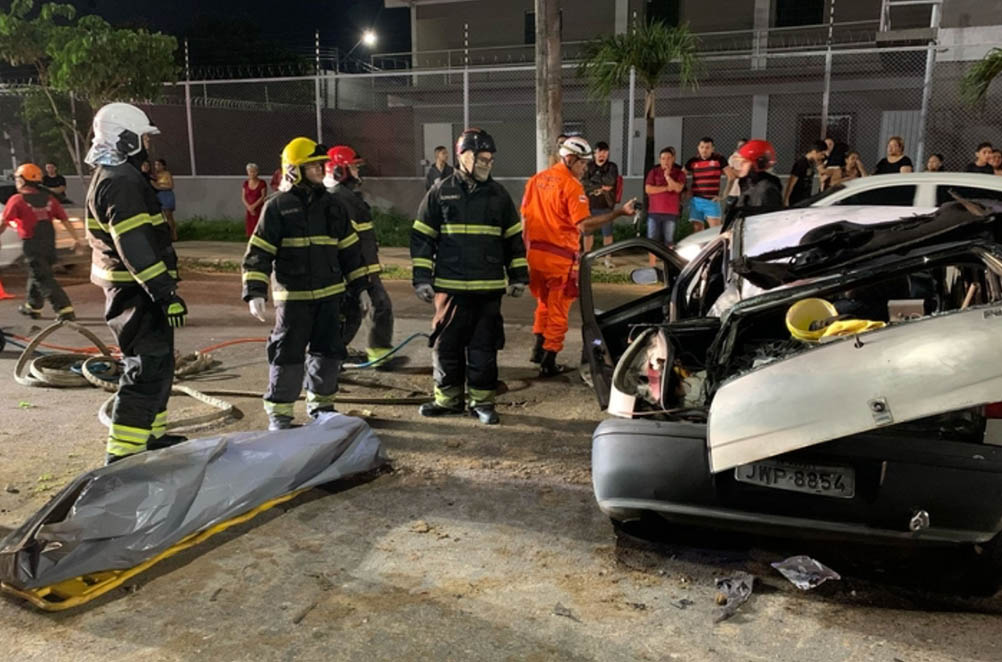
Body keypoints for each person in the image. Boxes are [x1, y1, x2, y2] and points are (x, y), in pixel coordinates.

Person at [242, 137, 369, 431]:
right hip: (293, 298)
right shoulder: (277, 207)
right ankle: (281, 414)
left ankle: (322, 407)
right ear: (294, 170)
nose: (319, 169)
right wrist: (255, 291)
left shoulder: (333, 206)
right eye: (312, 165)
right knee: (287, 354)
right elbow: (259, 251)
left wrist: (361, 287)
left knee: (328, 352)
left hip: (330, 297)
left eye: (319, 165)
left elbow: (350, 250)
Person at [83, 102, 185, 464]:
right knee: (146, 367)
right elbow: (135, 246)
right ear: (125, 139)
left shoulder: (120, 176)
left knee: (159, 364)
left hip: (136, 289)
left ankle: (152, 435)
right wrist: (164, 292)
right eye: (142, 137)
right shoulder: (121, 182)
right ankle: (123, 455)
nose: (147, 144)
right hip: (135, 292)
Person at [411, 128, 528, 424]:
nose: (487, 164)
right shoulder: (440, 191)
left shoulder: (499, 195)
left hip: (487, 289)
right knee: (446, 345)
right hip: (450, 288)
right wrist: (422, 278)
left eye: (490, 159)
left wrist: (518, 276)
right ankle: (448, 401)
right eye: (481, 158)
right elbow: (423, 237)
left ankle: (482, 403)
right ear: (464, 157)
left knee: (483, 347)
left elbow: (513, 238)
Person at [521, 136, 636, 376]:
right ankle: (549, 361)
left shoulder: (536, 180)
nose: (586, 167)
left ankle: (537, 350)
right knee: (558, 310)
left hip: (535, 256)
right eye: (583, 163)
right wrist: (618, 213)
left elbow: (525, 216)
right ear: (570, 159)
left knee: (543, 305)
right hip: (560, 258)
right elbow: (584, 226)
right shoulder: (572, 187)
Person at [326, 145, 400, 369]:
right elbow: (349, 241)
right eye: (354, 168)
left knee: (356, 313)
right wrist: (360, 274)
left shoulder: (346, 197)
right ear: (340, 171)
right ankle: (332, 359)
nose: (359, 172)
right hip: (358, 268)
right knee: (373, 308)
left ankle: (333, 358)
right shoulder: (342, 198)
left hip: (361, 266)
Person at [0, 163, 85, 320]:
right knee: (38, 273)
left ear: (23, 180)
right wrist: (76, 239)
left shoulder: (17, 200)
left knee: (43, 278)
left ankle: (64, 309)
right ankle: (32, 307)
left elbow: (4, 222)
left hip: (32, 244)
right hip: (49, 244)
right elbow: (64, 220)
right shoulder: (49, 199)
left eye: (18, 178)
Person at [723, 139, 783, 230]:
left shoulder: (765, 190)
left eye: (744, 162)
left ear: (758, 163)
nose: (740, 166)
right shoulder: (748, 184)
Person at [643, 146, 685, 267]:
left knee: (669, 240)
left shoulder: (679, 173)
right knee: (652, 240)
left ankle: (669, 266)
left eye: (668, 158)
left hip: (670, 212)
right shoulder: (654, 172)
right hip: (654, 211)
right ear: (659, 159)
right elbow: (648, 189)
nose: (665, 161)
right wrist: (666, 188)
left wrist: (667, 177)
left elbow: (677, 188)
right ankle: (652, 266)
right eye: (663, 158)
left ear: (673, 159)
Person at [684, 137, 733, 231]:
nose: (704, 150)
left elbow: (731, 176)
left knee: (715, 232)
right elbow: (680, 176)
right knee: (697, 233)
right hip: (696, 201)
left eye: (707, 147)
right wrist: (686, 190)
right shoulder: (693, 161)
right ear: (698, 148)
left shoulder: (719, 159)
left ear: (712, 149)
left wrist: (723, 195)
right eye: (702, 147)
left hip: (711, 200)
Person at [582, 140, 620, 255]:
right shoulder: (588, 166)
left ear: (608, 153)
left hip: (606, 205)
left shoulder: (612, 167)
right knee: (588, 233)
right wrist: (601, 186)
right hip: (589, 205)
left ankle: (608, 258)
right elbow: (583, 183)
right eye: (599, 152)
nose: (601, 155)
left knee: (607, 233)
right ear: (594, 153)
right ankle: (586, 255)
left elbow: (611, 181)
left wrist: (593, 183)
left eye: (604, 152)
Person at [784, 140, 828, 207]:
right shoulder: (801, 163)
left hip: (806, 197)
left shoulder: (811, 163)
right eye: (821, 154)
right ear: (814, 152)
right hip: (797, 198)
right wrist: (786, 199)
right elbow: (791, 182)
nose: (823, 157)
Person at [151, 158, 177, 240]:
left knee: (168, 215)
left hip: (167, 195)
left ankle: (173, 234)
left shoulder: (167, 174)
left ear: (163, 166)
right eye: (155, 165)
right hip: (158, 195)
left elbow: (171, 186)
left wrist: (159, 187)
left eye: (159, 165)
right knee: (161, 217)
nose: (156, 167)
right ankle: (166, 234)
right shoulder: (154, 175)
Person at [242, 162, 267, 237]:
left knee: (259, 227)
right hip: (249, 210)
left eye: (254, 171)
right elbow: (243, 197)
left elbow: (263, 196)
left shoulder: (262, 183)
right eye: (250, 171)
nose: (252, 173)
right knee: (250, 228)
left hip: (258, 209)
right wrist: (249, 207)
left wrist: (253, 206)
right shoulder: (245, 183)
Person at [724, 139, 747, 217]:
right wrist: (742, 173)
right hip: (733, 192)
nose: (742, 147)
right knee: (729, 215)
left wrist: (737, 172)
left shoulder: (749, 158)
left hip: (745, 192)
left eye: (744, 146)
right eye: (740, 146)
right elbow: (730, 173)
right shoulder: (733, 158)